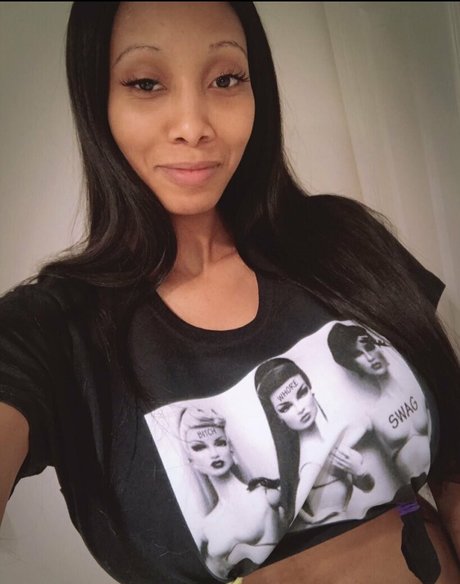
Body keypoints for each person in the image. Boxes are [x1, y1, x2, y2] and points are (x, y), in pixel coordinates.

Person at [0, 2, 459, 584]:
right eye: (146, 83)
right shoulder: (53, 330)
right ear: (97, 101)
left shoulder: (342, 240)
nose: (193, 125)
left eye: (225, 79)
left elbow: (453, 459)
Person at [255, 357, 375, 527]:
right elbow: (292, 516)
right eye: (286, 407)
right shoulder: (309, 463)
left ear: (311, 390)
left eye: (301, 393)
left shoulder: (330, 443)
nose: (300, 409)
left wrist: (359, 471)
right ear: (278, 417)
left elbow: (368, 487)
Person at [177, 407, 284, 579]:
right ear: (192, 462)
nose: (214, 454)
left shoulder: (267, 496)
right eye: (200, 447)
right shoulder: (206, 529)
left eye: (220, 443)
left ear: (231, 449)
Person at [327, 323, 433, 485]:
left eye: (369, 347)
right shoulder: (371, 415)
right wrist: (358, 470)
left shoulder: (415, 384)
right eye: (358, 354)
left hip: (447, 471)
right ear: (352, 364)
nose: (369, 358)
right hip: (417, 494)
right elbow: (333, 453)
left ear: (378, 345)